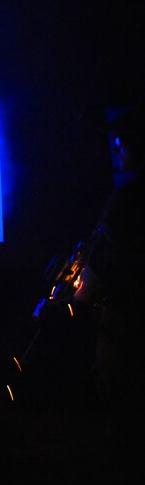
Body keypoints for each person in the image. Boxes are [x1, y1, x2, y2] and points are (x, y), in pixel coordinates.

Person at [72, 106, 145, 463]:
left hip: (125, 319)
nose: (117, 148)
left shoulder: (126, 202)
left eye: (123, 141)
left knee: (119, 396)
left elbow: (100, 268)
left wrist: (81, 293)